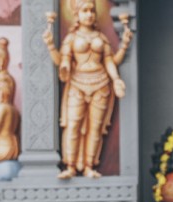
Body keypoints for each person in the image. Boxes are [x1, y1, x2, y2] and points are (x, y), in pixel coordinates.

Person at [43, 0, 128, 179]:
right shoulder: (71, 38)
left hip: (101, 84)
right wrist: (51, 46)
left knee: (95, 128)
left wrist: (116, 79)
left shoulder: (101, 38)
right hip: (77, 84)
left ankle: (90, 166)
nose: (89, 14)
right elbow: (61, 61)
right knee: (73, 126)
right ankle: (71, 166)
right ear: (76, 14)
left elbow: (109, 62)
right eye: (85, 11)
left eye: (92, 11)